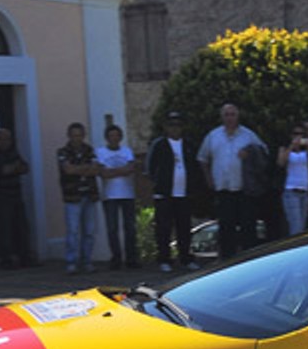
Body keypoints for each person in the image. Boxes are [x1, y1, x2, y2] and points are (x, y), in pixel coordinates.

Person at [197, 103, 264, 258]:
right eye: (226, 115)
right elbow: (202, 158)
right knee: (226, 228)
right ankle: (227, 260)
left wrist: (250, 152)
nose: (229, 118)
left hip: (244, 190)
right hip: (224, 190)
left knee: (248, 227)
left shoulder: (248, 135)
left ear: (238, 116)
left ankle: (249, 258)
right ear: (222, 117)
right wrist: (209, 179)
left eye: (232, 114)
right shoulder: (213, 136)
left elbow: (263, 152)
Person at [145, 111, 200, 272]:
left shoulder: (189, 144)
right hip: (164, 194)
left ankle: (185, 258)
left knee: (184, 227)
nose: (175, 129)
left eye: (178, 125)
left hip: (184, 194)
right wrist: (158, 184)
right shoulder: (159, 144)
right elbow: (150, 167)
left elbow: (195, 166)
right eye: (171, 125)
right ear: (165, 127)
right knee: (164, 228)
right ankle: (164, 259)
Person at [0, 127, 35, 268]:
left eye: (8, 139)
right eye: (2, 139)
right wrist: (13, 168)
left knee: (22, 227)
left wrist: (13, 167)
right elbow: (2, 170)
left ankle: (25, 257)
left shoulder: (13, 152)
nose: (5, 142)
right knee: (4, 229)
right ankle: (6, 260)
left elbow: (25, 168)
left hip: (16, 195)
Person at [55, 122, 100, 274]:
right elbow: (67, 169)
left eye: (80, 135)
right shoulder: (63, 152)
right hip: (72, 196)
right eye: (74, 135)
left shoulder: (90, 150)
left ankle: (87, 261)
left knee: (89, 231)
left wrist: (78, 169)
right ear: (69, 136)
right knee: (73, 231)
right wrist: (85, 168)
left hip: (90, 195)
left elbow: (96, 169)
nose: (77, 138)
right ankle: (71, 262)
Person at [97, 123, 139, 269]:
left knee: (130, 228)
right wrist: (122, 170)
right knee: (112, 229)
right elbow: (103, 173)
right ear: (107, 138)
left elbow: (132, 168)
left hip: (127, 194)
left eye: (116, 136)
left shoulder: (127, 151)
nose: (114, 139)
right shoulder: (100, 152)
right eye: (111, 136)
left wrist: (113, 171)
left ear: (120, 137)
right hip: (110, 196)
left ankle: (131, 258)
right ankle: (116, 258)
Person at [277, 123, 308, 236]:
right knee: (296, 227)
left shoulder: (306, 151)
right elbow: (281, 163)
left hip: (304, 191)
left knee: (302, 227)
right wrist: (291, 147)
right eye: (295, 134)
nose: (298, 137)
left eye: (301, 134)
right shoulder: (285, 148)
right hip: (291, 191)